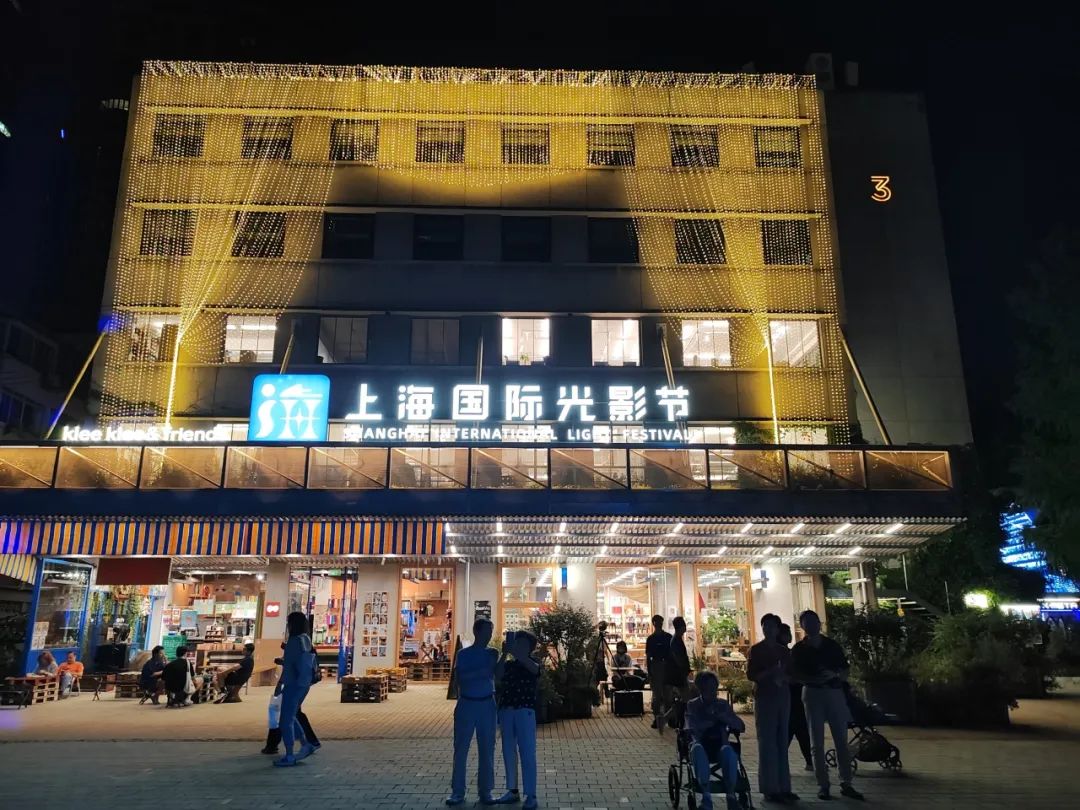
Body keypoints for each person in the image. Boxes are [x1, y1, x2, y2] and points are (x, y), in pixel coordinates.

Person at [791, 610, 863, 801]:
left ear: (819, 623)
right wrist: (811, 679)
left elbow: (845, 669)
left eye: (814, 621)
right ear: (802, 626)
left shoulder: (831, 645)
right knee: (816, 741)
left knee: (841, 740)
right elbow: (794, 674)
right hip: (812, 692)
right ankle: (823, 785)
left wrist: (835, 676)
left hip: (833, 691)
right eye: (807, 622)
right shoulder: (798, 650)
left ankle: (846, 782)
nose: (811, 625)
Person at [447, 618, 498, 806]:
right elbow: (461, 679)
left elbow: (496, 675)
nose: (489, 635)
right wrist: (482, 672)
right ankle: (457, 791)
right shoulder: (463, 654)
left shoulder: (493, 653)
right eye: (486, 632)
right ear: (477, 632)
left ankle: (486, 791)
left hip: (487, 703)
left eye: (490, 632)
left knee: (487, 749)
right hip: (467, 703)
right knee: (461, 749)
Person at [747, 614, 796, 804]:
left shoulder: (784, 652)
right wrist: (769, 672)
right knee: (767, 741)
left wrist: (784, 678)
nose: (768, 629)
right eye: (765, 625)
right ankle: (770, 787)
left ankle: (784, 786)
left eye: (771, 626)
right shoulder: (756, 650)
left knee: (782, 740)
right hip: (765, 696)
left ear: (777, 629)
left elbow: (793, 674)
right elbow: (751, 674)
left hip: (782, 695)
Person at [685, 670, 746, 810]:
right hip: (701, 743)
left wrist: (725, 717)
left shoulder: (722, 705)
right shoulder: (693, 705)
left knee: (729, 752)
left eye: (714, 687)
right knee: (697, 749)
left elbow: (740, 726)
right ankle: (706, 799)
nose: (712, 691)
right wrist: (708, 722)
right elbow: (690, 726)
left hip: (720, 744)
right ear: (701, 688)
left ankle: (731, 796)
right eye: (708, 687)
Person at [494, 630, 541, 809]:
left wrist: (515, 652)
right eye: (517, 643)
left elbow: (534, 670)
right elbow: (497, 675)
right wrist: (504, 653)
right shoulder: (510, 664)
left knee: (527, 752)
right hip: (507, 709)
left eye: (522, 644)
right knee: (508, 750)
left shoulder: (533, 662)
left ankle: (531, 794)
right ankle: (512, 790)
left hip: (524, 710)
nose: (519, 646)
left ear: (530, 648)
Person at [273, 611, 317, 767]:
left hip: (293, 684)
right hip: (304, 684)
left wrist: (279, 686)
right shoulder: (306, 639)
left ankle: (290, 754)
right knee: (292, 716)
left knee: (285, 720)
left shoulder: (293, 641)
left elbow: (289, 666)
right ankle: (305, 744)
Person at [778, 623, 813, 772]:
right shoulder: (785, 653)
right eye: (787, 633)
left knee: (795, 729)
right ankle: (809, 761)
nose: (790, 636)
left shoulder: (789, 652)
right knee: (798, 728)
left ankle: (808, 760)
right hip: (792, 695)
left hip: (794, 695)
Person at [645, 615, 673, 732]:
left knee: (668, 695)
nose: (659, 625)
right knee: (657, 696)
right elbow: (648, 656)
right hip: (656, 665)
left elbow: (672, 654)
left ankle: (668, 718)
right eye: (657, 623)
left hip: (666, 666)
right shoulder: (651, 639)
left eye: (660, 622)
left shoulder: (668, 637)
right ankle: (657, 718)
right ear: (654, 624)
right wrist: (649, 671)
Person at [668, 617, 692, 704]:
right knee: (685, 696)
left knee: (684, 696)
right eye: (684, 625)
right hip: (679, 673)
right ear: (680, 627)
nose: (685, 627)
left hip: (680, 672)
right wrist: (684, 670)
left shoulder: (676, 639)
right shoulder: (676, 640)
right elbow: (679, 658)